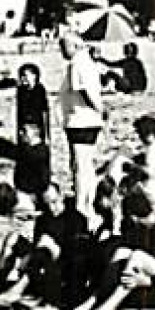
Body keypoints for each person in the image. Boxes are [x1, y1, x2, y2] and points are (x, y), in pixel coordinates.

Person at [67, 188, 155, 310]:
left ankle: (106, 308)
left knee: (137, 256)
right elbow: (120, 249)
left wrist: (145, 281)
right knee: (122, 252)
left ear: (133, 217)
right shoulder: (142, 229)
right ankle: (93, 301)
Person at [0, 181, 87, 308]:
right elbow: (35, 244)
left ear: (61, 197)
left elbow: (74, 251)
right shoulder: (44, 218)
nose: (51, 208)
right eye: (46, 204)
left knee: (46, 244)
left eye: (54, 202)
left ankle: (19, 289)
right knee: (13, 238)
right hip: (39, 261)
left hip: (61, 267)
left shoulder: (75, 218)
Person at [56, 31, 104, 222]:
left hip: (79, 120)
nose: (61, 50)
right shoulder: (88, 63)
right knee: (86, 165)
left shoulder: (77, 64)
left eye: (64, 46)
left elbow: (81, 90)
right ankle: (87, 202)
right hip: (88, 120)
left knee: (79, 166)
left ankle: (81, 206)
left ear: (74, 46)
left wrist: (96, 107)